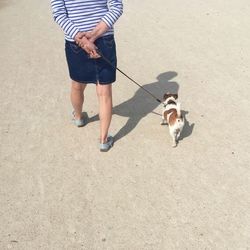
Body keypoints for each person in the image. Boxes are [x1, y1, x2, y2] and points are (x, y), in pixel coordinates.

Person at [50, 0, 123, 152]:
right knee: (104, 92)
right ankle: (103, 140)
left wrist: (82, 39)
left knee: (77, 85)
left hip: (76, 42)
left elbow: (59, 14)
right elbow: (116, 7)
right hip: (103, 39)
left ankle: (78, 118)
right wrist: (94, 34)